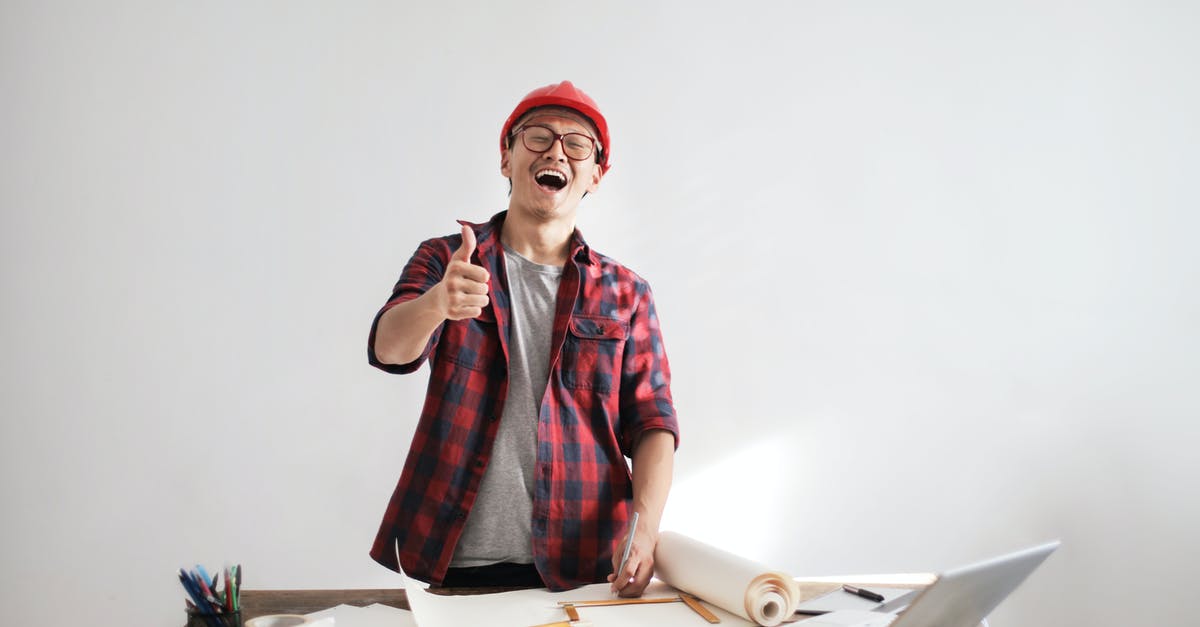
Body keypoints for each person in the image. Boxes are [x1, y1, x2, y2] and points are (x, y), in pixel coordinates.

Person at [366, 81, 679, 596]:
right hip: (462, 563)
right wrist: (436, 305)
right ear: (506, 158)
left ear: (596, 175)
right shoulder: (451, 262)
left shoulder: (627, 293)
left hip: (587, 567)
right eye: (537, 136)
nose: (556, 150)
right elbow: (388, 349)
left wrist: (645, 531)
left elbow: (653, 424)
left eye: (576, 144)